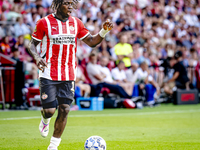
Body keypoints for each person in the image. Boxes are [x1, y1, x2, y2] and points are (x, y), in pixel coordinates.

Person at [28, 0, 114, 149]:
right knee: (49, 110)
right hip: (48, 72)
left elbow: (92, 42)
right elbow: (31, 45)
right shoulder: (44, 23)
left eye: (72, 3)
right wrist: (37, 58)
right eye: (66, 3)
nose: (70, 7)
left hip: (68, 73)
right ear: (58, 4)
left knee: (65, 109)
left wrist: (103, 31)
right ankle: (45, 119)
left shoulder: (76, 23)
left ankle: (53, 146)